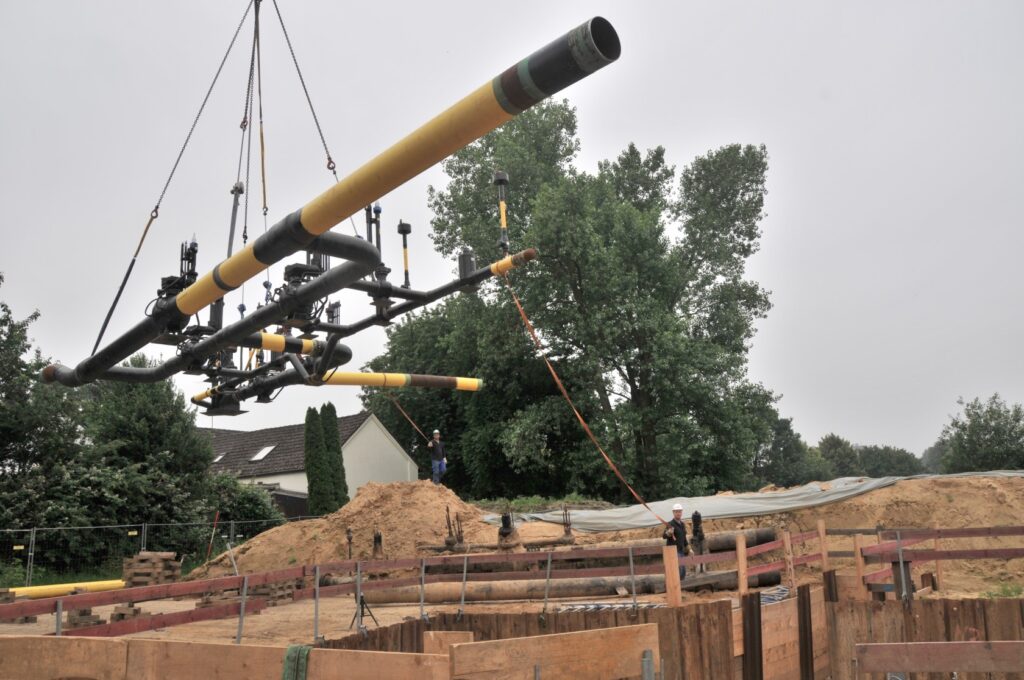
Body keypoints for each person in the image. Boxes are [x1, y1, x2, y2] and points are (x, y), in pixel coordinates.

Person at [662, 503, 690, 581]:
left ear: (682, 512)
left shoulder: (682, 524)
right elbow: (664, 536)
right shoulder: (670, 524)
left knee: (683, 570)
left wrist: (689, 548)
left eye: (679, 511)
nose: (678, 513)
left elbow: (684, 538)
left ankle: (681, 588)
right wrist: (669, 533)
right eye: (676, 511)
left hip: (681, 550)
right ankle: (677, 587)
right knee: (679, 570)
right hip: (673, 551)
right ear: (673, 513)